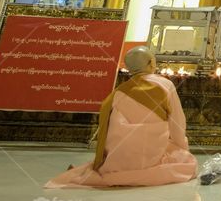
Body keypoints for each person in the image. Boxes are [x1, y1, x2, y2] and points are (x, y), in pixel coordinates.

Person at [46, 47, 196, 189]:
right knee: (187, 163)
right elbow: (177, 123)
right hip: (152, 155)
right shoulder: (165, 85)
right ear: (151, 63)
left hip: (118, 160)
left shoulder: (118, 93)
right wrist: (182, 149)